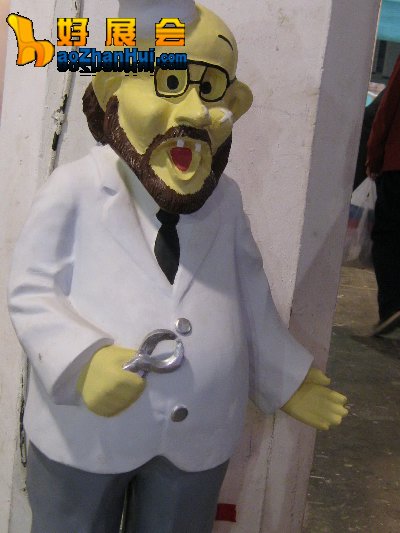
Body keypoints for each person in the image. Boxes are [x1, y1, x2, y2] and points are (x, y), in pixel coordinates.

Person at [8, 2, 348, 532]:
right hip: (87, 435)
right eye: (168, 82)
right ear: (113, 90)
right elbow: (31, 291)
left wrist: (285, 380)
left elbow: (249, 300)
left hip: (196, 439)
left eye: (209, 89)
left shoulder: (225, 203)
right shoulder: (74, 189)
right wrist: (81, 361)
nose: (193, 112)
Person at [367, 54, 400, 336]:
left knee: (388, 236)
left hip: (397, 165)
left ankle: (392, 307)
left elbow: (388, 107)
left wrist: (374, 156)